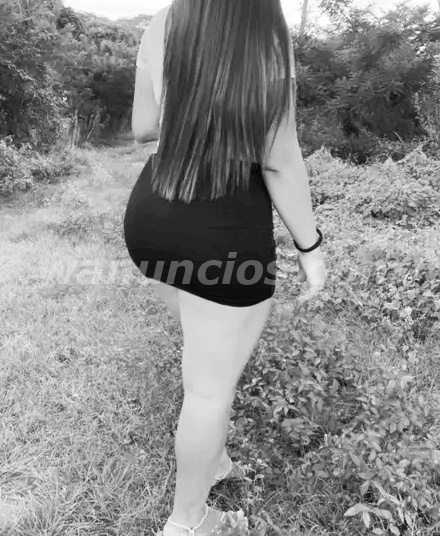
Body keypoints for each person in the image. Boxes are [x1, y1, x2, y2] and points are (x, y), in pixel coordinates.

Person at [123, 1, 327, 535]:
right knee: (210, 389)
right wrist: (310, 248)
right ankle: (188, 522)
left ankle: (210, 459)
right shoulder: (264, 26)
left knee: (207, 366)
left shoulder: (164, 20)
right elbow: (278, 156)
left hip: (152, 218)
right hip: (222, 229)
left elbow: (143, 127)